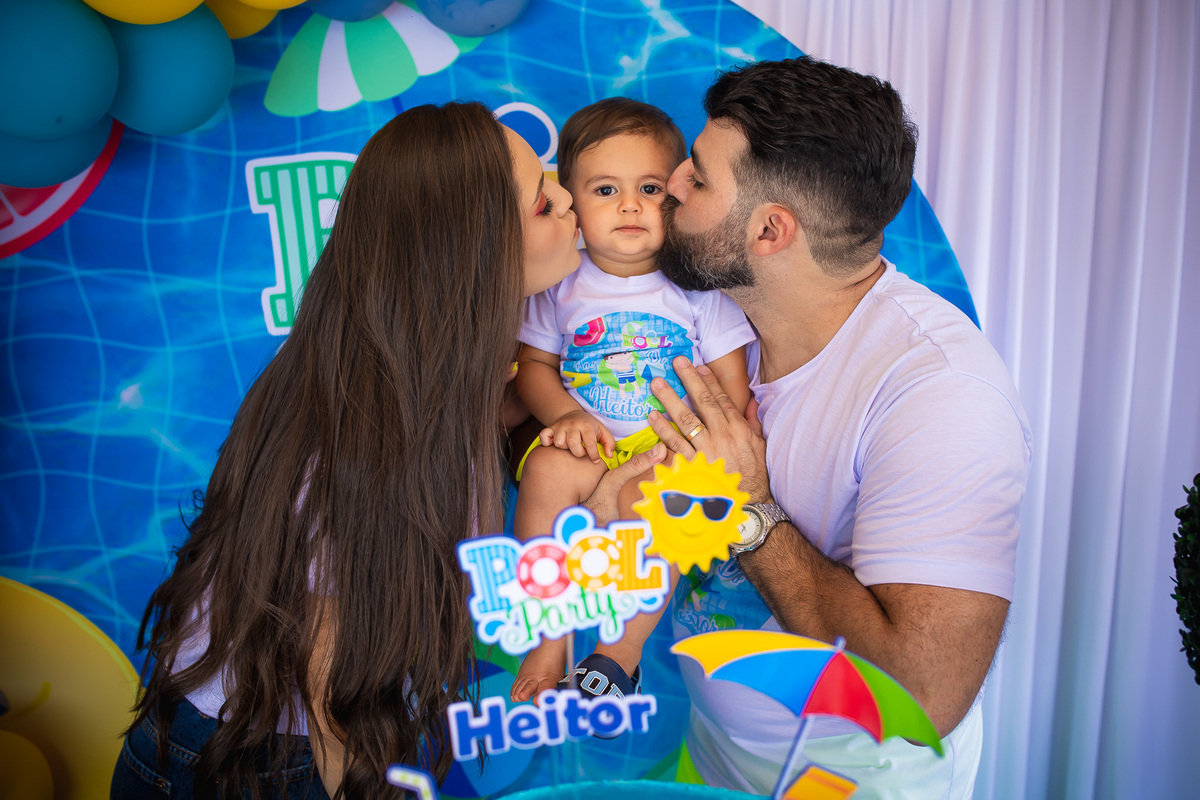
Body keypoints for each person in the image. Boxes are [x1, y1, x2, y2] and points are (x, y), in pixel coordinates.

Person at [109, 101, 669, 800]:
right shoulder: (368, 424)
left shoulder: (437, 361)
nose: (567, 202)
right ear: (475, 249)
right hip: (261, 755)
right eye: (541, 200)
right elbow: (324, 666)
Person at [635, 57, 1033, 797]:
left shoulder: (940, 396)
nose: (673, 183)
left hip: (851, 780)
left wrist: (745, 509)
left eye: (700, 176)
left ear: (769, 230)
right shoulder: (710, 316)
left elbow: (923, 695)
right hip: (712, 755)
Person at [508, 97, 755, 705]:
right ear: (570, 202)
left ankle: (620, 650)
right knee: (544, 471)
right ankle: (549, 634)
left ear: (677, 197)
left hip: (669, 444)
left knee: (663, 509)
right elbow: (533, 370)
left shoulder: (698, 288)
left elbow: (731, 383)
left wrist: (702, 446)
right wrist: (565, 415)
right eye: (605, 190)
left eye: (649, 188)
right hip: (587, 436)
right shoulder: (559, 284)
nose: (629, 206)